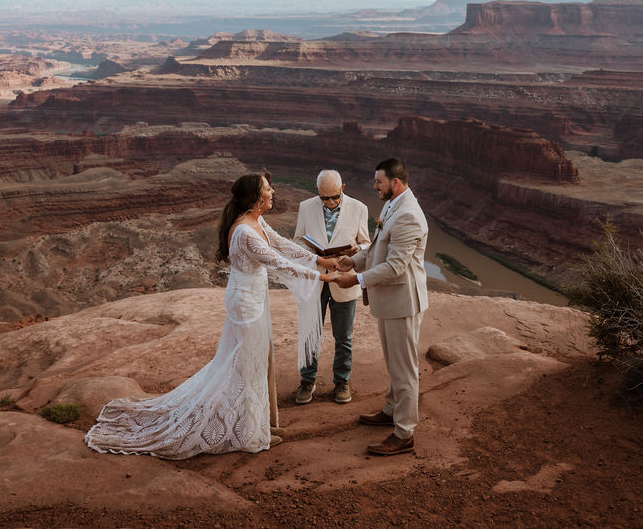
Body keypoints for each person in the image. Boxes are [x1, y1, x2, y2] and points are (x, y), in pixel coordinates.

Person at [85, 172, 341, 460]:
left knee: (255, 363)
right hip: (246, 306)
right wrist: (324, 278)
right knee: (246, 366)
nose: (273, 192)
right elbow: (277, 263)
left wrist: (320, 260)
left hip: (254, 300)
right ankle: (248, 434)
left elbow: (281, 244)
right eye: (268, 189)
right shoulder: (245, 231)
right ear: (256, 198)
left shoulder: (255, 220)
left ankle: (258, 426)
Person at [334, 158, 428, 456]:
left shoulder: (409, 215)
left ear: (395, 183)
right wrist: (355, 260)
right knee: (394, 363)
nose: (375, 186)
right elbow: (378, 247)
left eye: (379, 182)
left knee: (404, 370)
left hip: (402, 302)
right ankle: (390, 410)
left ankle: (404, 432)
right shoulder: (393, 205)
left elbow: (396, 266)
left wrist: (357, 279)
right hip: (390, 301)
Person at [292, 169, 371, 405]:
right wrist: (315, 257)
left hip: (344, 279)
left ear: (343, 188)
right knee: (310, 334)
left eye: (335, 196)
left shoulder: (359, 208)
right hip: (314, 280)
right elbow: (297, 241)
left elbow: (367, 243)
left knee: (343, 336)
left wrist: (356, 252)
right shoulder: (306, 207)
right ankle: (308, 380)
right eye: (325, 197)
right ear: (317, 192)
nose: (330, 202)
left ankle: (341, 382)